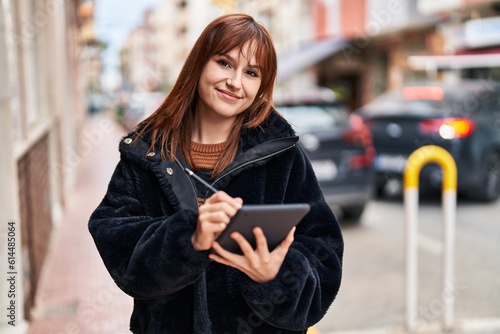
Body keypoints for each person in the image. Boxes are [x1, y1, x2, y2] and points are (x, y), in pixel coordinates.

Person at [88, 13, 343, 334]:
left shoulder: (283, 155)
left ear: (262, 85)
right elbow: (117, 242)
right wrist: (188, 236)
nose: (235, 82)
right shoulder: (147, 152)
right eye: (224, 63)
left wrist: (275, 275)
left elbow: (325, 255)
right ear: (199, 64)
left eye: (251, 72)